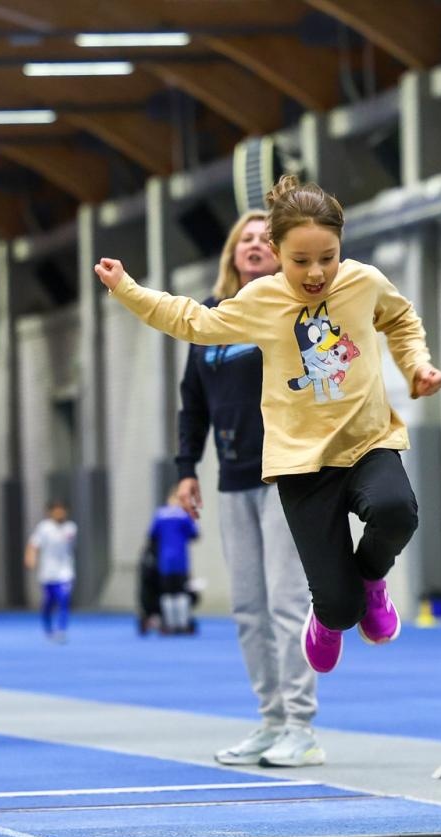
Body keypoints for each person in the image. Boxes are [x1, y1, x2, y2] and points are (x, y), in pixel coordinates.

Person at [95, 176, 441, 675]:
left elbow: (401, 319)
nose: (316, 272)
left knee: (397, 511)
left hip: (367, 442)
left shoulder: (363, 282)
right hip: (302, 465)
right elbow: (192, 321)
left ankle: (371, 580)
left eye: (328, 256)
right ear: (278, 252)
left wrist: (416, 366)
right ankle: (330, 616)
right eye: (301, 261)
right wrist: (126, 289)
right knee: (339, 609)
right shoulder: (262, 300)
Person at [176, 210, 324, 767]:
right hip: (233, 478)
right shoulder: (212, 320)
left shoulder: (298, 310)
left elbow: (327, 379)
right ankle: (270, 721)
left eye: (267, 239)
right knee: (247, 608)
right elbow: (193, 403)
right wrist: (185, 466)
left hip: (287, 476)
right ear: (233, 254)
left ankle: (302, 727)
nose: (256, 245)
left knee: (287, 603)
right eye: (247, 239)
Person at [25, 501, 76, 643]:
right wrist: (30, 558)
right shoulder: (44, 528)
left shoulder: (71, 528)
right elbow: (33, 544)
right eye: (56, 510)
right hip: (48, 573)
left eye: (62, 510)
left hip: (65, 572)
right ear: (50, 512)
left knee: (64, 599)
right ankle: (48, 628)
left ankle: (61, 630)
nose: (59, 513)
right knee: (48, 603)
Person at [149, 494, 199, 635]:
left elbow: (152, 535)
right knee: (181, 592)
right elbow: (194, 534)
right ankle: (182, 623)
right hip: (180, 560)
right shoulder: (184, 515)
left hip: (164, 560)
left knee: (167, 592)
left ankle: (170, 623)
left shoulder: (160, 514)